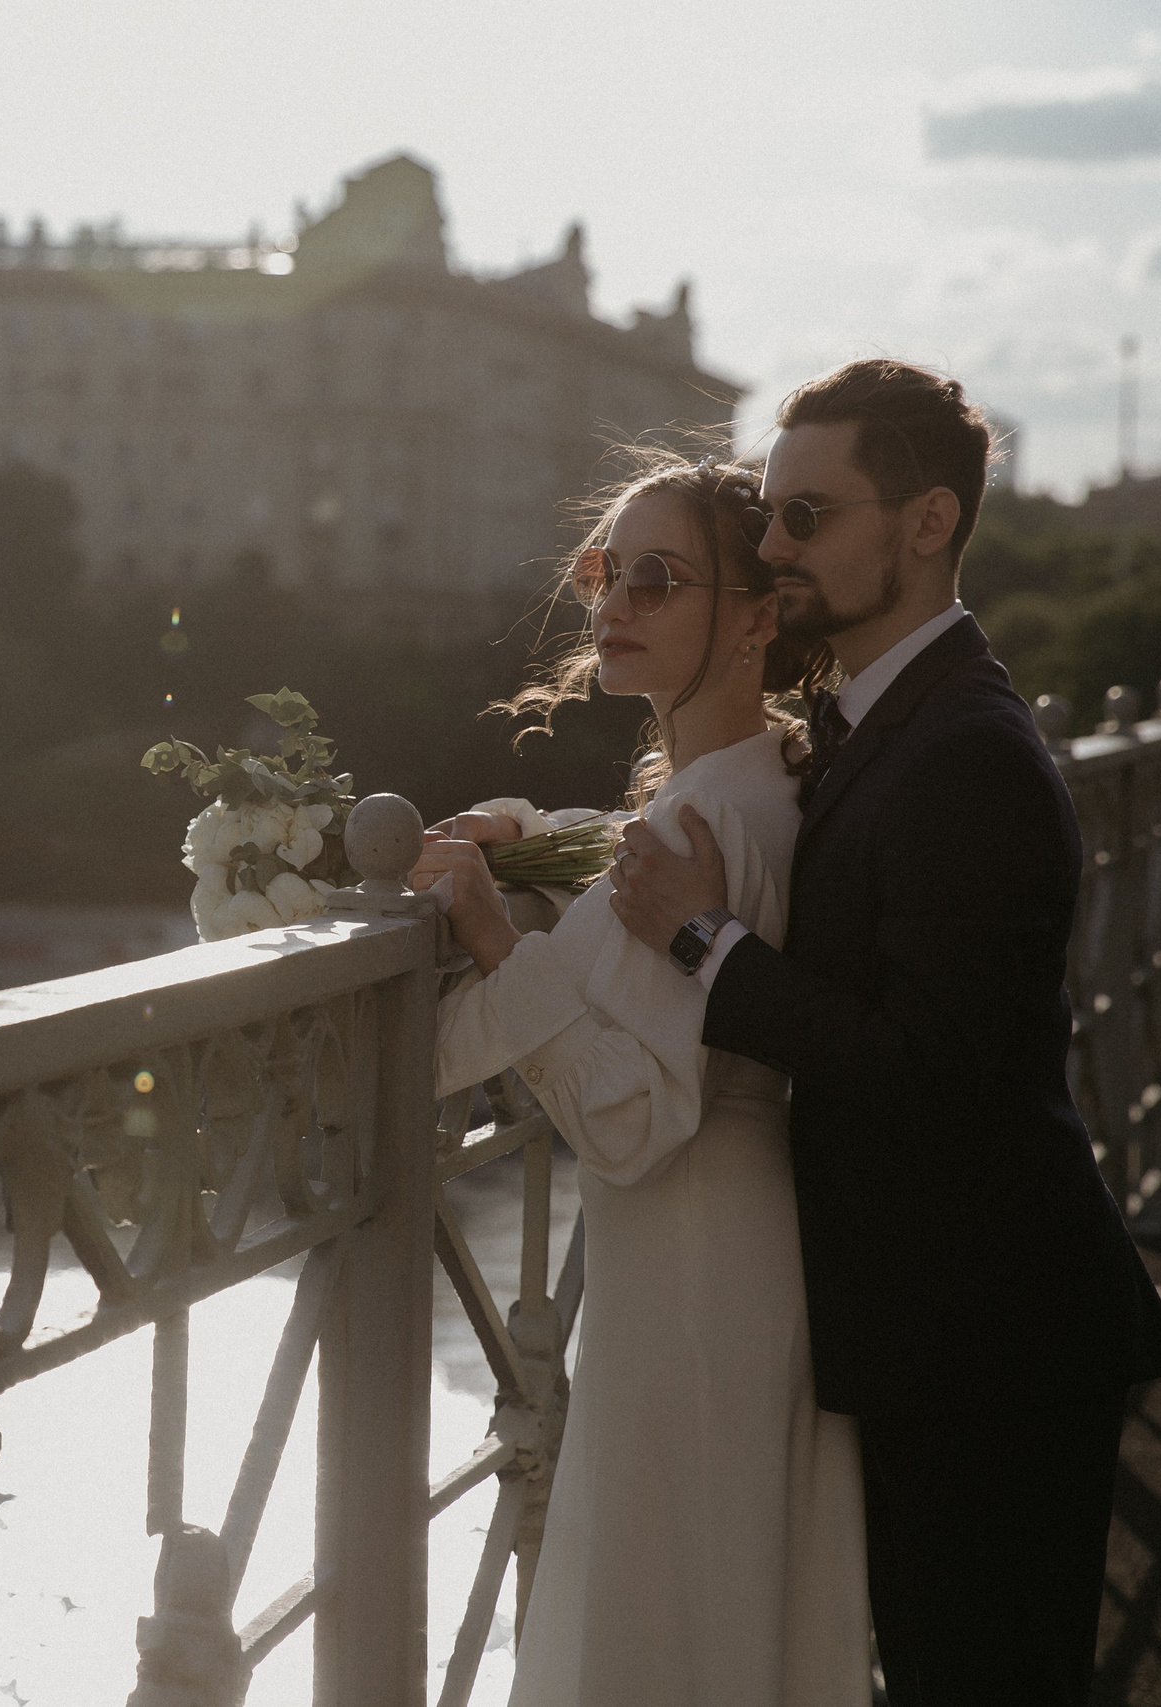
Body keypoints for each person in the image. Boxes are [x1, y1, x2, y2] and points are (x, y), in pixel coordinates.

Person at [606, 360, 1161, 1706]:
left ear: (929, 522)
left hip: (990, 1337)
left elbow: (926, 1066)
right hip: (942, 1321)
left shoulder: (968, 750)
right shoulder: (883, 719)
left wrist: (704, 934)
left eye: (807, 515)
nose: (769, 546)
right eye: (765, 513)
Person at [412, 453, 871, 1706]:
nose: (613, 602)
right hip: (754, 1245)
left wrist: (499, 946)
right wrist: (526, 832)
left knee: (662, 1628)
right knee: (730, 1618)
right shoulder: (764, 781)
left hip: (691, 1273)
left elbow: (626, 1124)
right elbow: (626, 891)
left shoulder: (692, 829)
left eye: (657, 579)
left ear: (759, 617)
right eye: (602, 571)